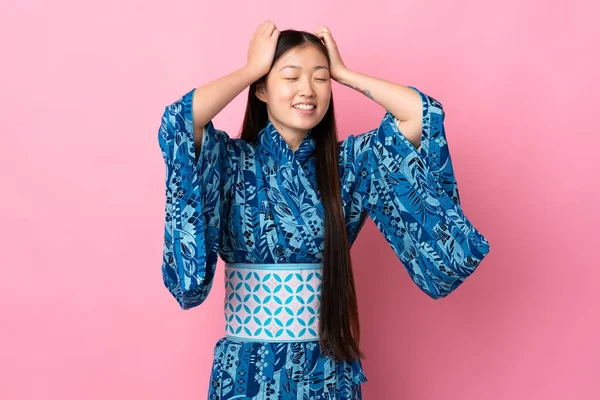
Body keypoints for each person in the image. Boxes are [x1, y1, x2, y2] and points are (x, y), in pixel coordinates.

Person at [157, 21, 491, 400]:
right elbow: (180, 122)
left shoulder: (347, 164)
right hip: (247, 371)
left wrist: (345, 74)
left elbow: (421, 115)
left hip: (326, 369)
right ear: (263, 90)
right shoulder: (231, 162)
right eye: (291, 76)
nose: (307, 90)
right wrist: (251, 69)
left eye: (320, 78)